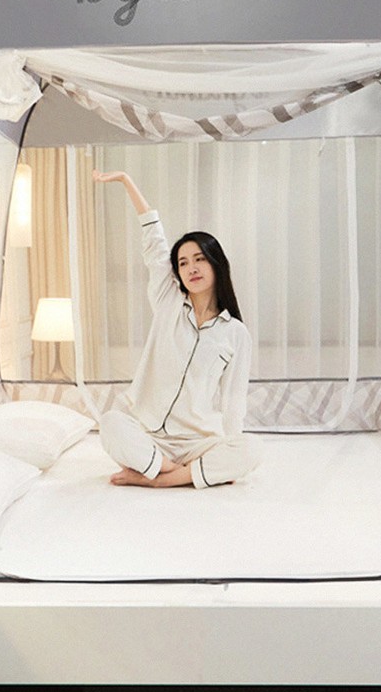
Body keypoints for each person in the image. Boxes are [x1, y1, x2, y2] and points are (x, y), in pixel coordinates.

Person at [92, 169, 262, 488]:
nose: (191, 268)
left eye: (199, 259)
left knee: (252, 449)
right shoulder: (167, 302)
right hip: (149, 437)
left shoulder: (236, 333)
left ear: (216, 263)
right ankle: (175, 471)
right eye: (183, 263)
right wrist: (127, 180)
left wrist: (229, 451)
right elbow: (154, 243)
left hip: (197, 443)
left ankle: (157, 478)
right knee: (111, 422)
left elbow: (233, 401)